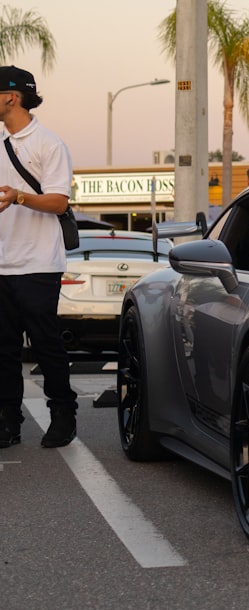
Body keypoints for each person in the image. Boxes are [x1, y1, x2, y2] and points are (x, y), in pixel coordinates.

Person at [0, 66, 77, 448]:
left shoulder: (48, 143)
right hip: (2, 264)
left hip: (38, 265)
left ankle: (63, 415)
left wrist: (19, 196)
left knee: (46, 346)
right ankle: (8, 422)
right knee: (3, 350)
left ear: (11, 97)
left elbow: (59, 200)